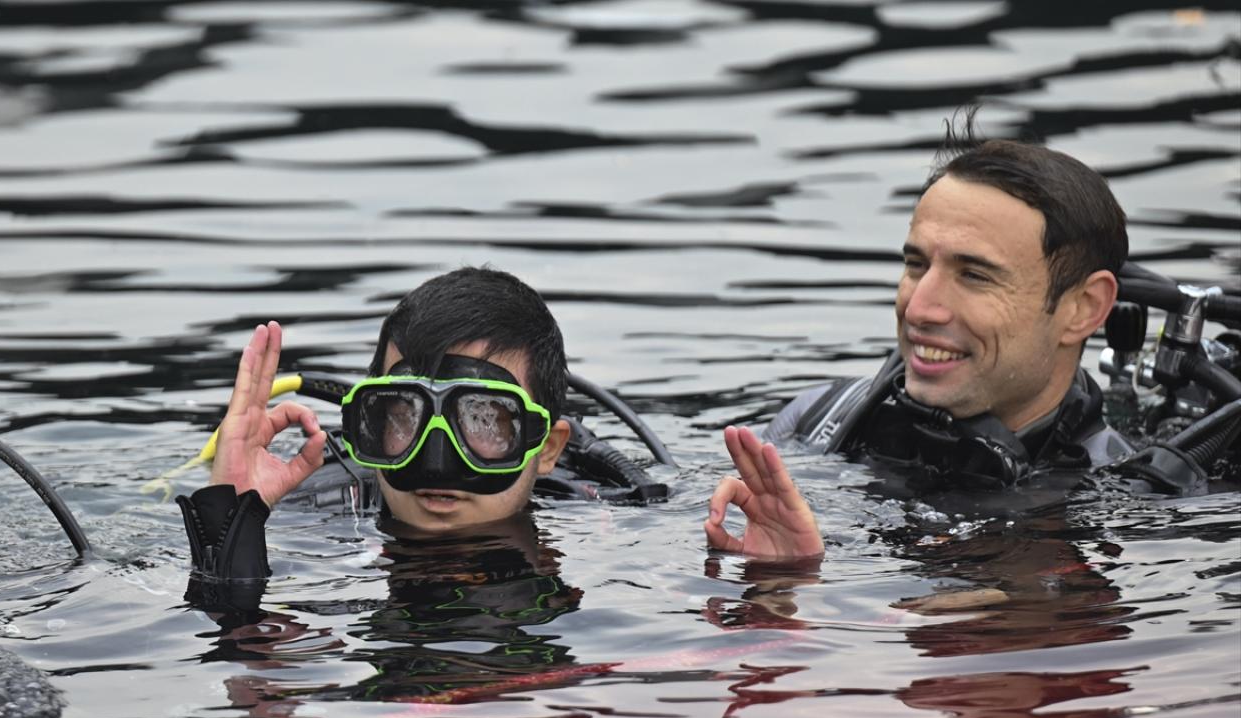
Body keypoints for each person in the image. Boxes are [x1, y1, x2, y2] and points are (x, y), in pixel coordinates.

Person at [705, 137, 1135, 559]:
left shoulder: (1124, 504)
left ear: (1083, 308)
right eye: (916, 265)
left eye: (974, 276)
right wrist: (785, 575)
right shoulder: (818, 422)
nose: (919, 308)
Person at [177, 266, 637, 582]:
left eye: (482, 420)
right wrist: (230, 518)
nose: (435, 463)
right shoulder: (308, 512)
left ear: (548, 449)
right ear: (368, 427)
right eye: (402, 415)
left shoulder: (620, 526)